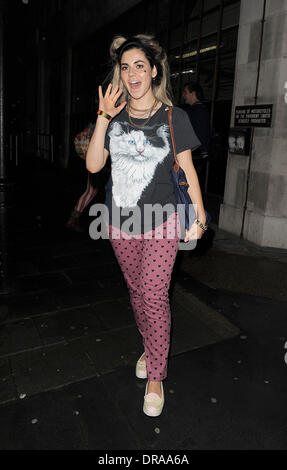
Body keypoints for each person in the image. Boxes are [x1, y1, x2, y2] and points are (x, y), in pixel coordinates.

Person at [86, 34, 208, 417]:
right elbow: (92, 166)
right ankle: (149, 345)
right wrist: (103, 117)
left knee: (154, 295)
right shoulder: (115, 116)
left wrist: (200, 218)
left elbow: (187, 169)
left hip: (163, 221)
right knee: (138, 293)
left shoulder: (175, 116)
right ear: (120, 76)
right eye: (126, 67)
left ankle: (156, 375)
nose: (133, 72)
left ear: (154, 71)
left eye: (141, 65)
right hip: (120, 223)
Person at [182, 82, 211, 196]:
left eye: (186, 92)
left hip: (194, 154)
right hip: (197, 153)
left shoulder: (196, 111)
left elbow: (199, 133)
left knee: (189, 187)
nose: (184, 95)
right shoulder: (199, 110)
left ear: (193, 94)